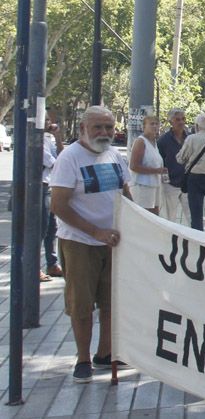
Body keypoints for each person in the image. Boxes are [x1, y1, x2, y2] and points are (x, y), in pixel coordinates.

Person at [48, 106, 133, 383]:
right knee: (81, 304)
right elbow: (58, 205)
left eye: (108, 127)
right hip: (80, 242)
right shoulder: (69, 157)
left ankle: (105, 353)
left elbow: (126, 194)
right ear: (84, 128)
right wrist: (94, 231)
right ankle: (82, 359)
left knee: (111, 301)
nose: (104, 133)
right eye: (98, 127)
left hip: (113, 242)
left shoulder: (114, 155)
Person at [176, 112, 205, 231]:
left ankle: (198, 239)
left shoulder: (192, 138)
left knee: (196, 213)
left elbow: (181, 158)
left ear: (197, 125)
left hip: (195, 178)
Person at [128, 114, 167, 214]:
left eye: (156, 124)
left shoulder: (154, 142)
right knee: (144, 216)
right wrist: (156, 171)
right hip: (142, 185)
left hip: (155, 185)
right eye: (151, 124)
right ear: (144, 126)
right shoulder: (140, 141)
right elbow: (134, 166)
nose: (154, 126)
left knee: (155, 215)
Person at [157, 109, 189, 225]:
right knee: (171, 217)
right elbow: (160, 162)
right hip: (170, 184)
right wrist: (165, 180)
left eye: (183, 119)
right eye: (177, 119)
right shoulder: (163, 140)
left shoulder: (190, 139)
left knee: (191, 217)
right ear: (171, 122)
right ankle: (171, 241)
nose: (181, 122)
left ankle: (192, 241)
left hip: (188, 184)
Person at [41, 121, 65, 280]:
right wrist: (65, 164)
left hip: (50, 186)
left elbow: (61, 155)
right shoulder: (37, 140)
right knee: (40, 228)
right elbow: (53, 162)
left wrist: (57, 136)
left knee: (52, 228)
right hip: (40, 187)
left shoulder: (47, 139)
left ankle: (52, 263)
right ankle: (34, 265)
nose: (50, 123)